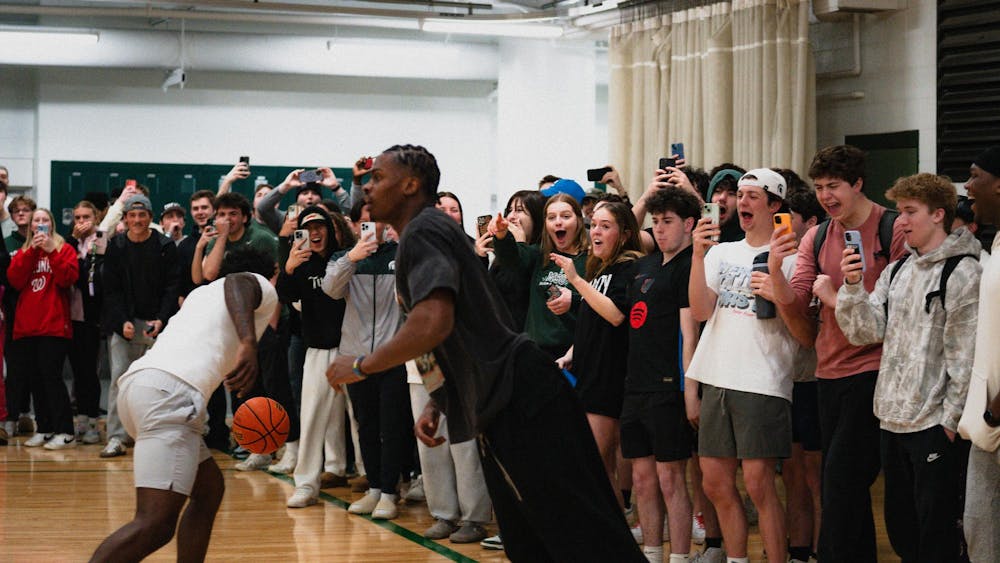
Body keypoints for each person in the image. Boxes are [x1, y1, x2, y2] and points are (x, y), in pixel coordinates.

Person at [326, 144, 643, 562]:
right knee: (528, 539)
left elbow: (432, 321)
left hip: (522, 394)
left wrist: (363, 365)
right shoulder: (423, 236)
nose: (367, 187)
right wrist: (439, 403)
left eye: (378, 177)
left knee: (583, 533)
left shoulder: (425, 230)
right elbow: (446, 328)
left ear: (410, 184)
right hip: (498, 401)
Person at [89, 247, 279, 563]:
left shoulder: (201, 295)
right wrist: (247, 343)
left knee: (209, 490)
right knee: (155, 523)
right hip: (171, 395)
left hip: (140, 388)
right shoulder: (256, 283)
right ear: (272, 272)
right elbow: (240, 283)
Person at [767, 145, 906, 563]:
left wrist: (836, 296)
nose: (826, 196)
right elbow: (802, 307)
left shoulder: (892, 229)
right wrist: (775, 271)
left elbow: (896, 309)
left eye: (834, 186)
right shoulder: (817, 235)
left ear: (858, 184)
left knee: (841, 481)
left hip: (877, 371)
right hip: (830, 374)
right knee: (847, 485)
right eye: (820, 187)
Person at [836, 172, 979, 562]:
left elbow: (964, 358)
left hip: (933, 425)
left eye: (910, 211)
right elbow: (864, 332)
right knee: (902, 531)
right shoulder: (898, 269)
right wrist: (851, 286)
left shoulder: (964, 272)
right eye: (899, 211)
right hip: (891, 420)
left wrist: (949, 423)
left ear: (938, 215)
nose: (901, 221)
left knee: (937, 535)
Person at [686, 168, 797, 563]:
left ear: (775, 205)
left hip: (763, 379)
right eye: (740, 195)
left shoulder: (793, 257)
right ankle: (736, 559)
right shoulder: (720, 252)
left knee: (759, 484)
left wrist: (779, 281)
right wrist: (698, 254)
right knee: (715, 482)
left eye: (753, 196)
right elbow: (700, 310)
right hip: (717, 374)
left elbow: (802, 328)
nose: (742, 202)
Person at [619, 187, 702, 563]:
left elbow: (689, 335)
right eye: (656, 222)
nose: (660, 229)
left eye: (667, 222)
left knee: (671, 480)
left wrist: (689, 390)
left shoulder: (691, 267)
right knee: (641, 481)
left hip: (669, 389)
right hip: (635, 386)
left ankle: (680, 557)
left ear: (688, 224)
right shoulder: (645, 265)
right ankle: (652, 553)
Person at [323, 203, 417, 522]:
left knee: (392, 425)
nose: (369, 228)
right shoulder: (342, 259)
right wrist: (352, 258)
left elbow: (411, 295)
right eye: (363, 223)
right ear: (353, 225)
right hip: (355, 356)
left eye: (375, 221)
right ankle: (375, 487)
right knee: (365, 425)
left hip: (392, 354)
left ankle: (390, 492)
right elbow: (330, 290)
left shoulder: (400, 253)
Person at [552, 201, 643, 511]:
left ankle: (613, 535)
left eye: (606, 226)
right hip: (588, 373)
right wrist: (570, 353)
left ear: (625, 233)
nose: (596, 232)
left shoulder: (628, 268)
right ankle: (613, 534)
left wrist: (575, 281)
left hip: (609, 377)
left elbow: (616, 316)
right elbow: (592, 322)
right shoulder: (599, 269)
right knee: (599, 468)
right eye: (594, 225)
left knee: (595, 467)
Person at [278, 206, 350, 508]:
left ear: (330, 230)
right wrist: (290, 268)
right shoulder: (301, 265)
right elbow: (284, 295)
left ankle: (377, 485)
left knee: (361, 422)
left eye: (320, 226)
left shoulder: (344, 259)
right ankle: (306, 484)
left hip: (351, 350)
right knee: (310, 420)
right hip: (318, 350)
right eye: (307, 228)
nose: (314, 233)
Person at [100, 194, 181, 458]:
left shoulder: (165, 246)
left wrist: (162, 318)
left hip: (156, 321)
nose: (136, 220)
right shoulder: (116, 246)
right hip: (124, 322)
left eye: (142, 215)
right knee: (120, 380)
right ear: (125, 219)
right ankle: (116, 437)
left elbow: (172, 287)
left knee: (157, 382)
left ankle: (153, 434)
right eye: (132, 215)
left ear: (150, 217)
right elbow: (110, 290)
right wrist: (122, 320)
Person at [957, 145, 1000, 562]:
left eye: (975, 176)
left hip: (995, 418)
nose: (967, 187)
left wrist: (995, 412)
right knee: (979, 532)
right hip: (987, 426)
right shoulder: (997, 243)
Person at [7, 208, 78, 449]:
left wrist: (50, 250)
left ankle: (65, 431)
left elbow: (67, 279)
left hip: (54, 325)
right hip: (27, 326)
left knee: (52, 378)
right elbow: (14, 280)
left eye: (44, 220)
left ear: (52, 224)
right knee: (35, 379)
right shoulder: (24, 252)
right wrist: (32, 252)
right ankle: (45, 428)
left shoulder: (64, 249)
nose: (39, 224)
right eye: (36, 220)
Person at [491, 192, 589, 360]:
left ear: (579, 221)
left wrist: (573, 300)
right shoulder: (539, 254)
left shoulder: (590, 260)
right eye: (551, 217)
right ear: (545, 224)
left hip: (573, 351)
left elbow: (602, 306)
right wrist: (501, 236)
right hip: (536, 351)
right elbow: (512, 260)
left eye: (565, 216)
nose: (558, 221)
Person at [67, 200, 107, 444]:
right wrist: (72, 240)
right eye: (78, 218)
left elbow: (87, 278)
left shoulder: (100, 240)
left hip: (92, 317)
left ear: (96, 219)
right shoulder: (70, 242)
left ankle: (93, 420)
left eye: (86, 217)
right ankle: (80, 419)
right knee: (77, 371)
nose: (81, 222)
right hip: (70, 315)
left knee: (91, 372)